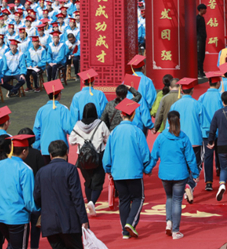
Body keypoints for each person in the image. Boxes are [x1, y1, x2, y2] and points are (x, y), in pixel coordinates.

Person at [145, 110, 199, 240]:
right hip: (180, 174)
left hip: (165, 174)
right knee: (177, 201)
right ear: (179, 120)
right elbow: (191, 158)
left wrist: (148, 168)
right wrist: (195, 173)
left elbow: (154, 155)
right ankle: (175, 230)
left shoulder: (161, 137)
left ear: (168, 121)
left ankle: (169, 222)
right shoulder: (183, 137)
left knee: (169, 198)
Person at [102, 99, 151, 239]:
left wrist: (108, 169)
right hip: (134, 171)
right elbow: (145, 154)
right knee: (138, 198)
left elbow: (107, 154)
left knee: (123, 200)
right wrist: (146, 167)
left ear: (121, 115)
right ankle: (130, 222)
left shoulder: (114, 132)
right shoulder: (137, 131)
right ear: (133, 114)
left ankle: (125, 231)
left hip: (118, 172)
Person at [33, 140, 89, 249]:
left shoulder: (41, 172)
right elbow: (76, 197)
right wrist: (83, 219)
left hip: (49, 222)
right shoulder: (70, 169)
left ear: (50, 155)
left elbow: (37, 196)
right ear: (67, 152)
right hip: (69, 221)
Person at [0, 134, 38, 249]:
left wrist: (0, 209)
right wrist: (38, 211)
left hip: (0, 217)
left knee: (11, 246)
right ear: (24, 151)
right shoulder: (25, 169)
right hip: (18, 218)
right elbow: (29, 202)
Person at [69, 101, 109, 216]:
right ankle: (92, 202)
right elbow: (108, 138)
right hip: (97, 157)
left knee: (88, 182)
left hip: (82, 158)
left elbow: (71, 141)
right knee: (98, 182)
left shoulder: (78, 125)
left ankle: (90, 201)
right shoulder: (100, 124)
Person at [169, 77, 203, 202]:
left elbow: (169, 125)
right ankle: (190, 184)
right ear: (192, 90)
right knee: (196, 164)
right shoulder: (198, 104)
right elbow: (203, 124)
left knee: (183, 164)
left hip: (179, 140)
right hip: (194, 140)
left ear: (181, 90)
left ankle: (184, 187)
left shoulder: (175, 105)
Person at [198, 71, 223, 192]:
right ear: (218, 83)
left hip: (206, 131)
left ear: (208, 83)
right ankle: (221, 172)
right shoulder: (220, 97)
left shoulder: (202, 97)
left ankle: (208, 182)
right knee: (221, 153)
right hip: (220, 130)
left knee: (208, 156)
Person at [196, 4, 207, 78]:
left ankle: (201, 71)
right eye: (204, 9)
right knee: (199, 56)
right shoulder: (197, 18)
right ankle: (199, 71)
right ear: (200, 10)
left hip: (203, 39)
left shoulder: (202, 18)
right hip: (199, 39)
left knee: (202, 55)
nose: (205, 11)